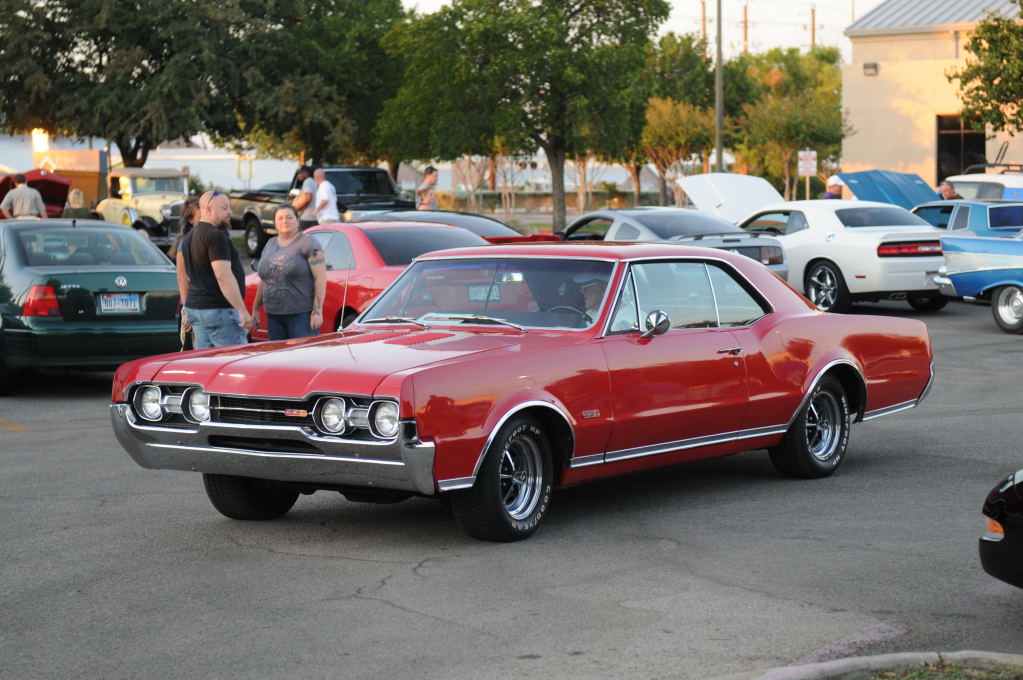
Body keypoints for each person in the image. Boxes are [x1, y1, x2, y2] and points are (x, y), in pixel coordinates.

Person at [181, 190, 252, 348]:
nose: (230, 212)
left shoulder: (189, 237)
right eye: (224, 208)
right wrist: (241, 310)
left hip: (197, 309)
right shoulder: (215, 236)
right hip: (218, 310)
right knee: (233, 359)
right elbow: (223, 276)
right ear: (209, 209)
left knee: (207, 361)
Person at [250, 204, 327, 340]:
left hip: (301, 316)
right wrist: (255, 309)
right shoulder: (270, 244)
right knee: (278, 353)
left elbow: (320, 278)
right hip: (273, 316)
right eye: (280, 218)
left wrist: (317, 311)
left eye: (289, 217)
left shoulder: (308, 243)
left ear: (297, 221)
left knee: (301, 353)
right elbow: (264, 279)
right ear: (275, 223)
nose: (284, 221)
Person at [169, 196, 201, 350]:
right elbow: (182, 278)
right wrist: (188, 311)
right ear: (190, 220)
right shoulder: (185, 242)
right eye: (201, 216)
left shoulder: (212, 237)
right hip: (192, 306)